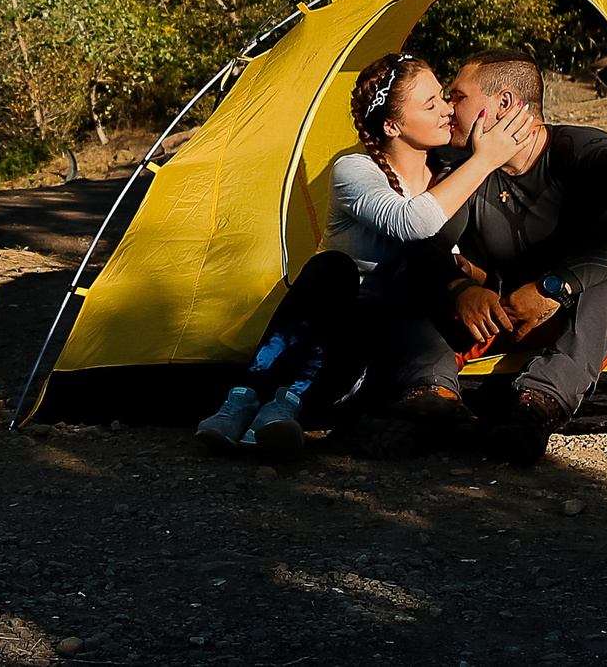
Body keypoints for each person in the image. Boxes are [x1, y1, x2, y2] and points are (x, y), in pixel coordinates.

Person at [194, 51, 534, 457]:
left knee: (394, 302)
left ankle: (282, 410)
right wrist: (484, 160)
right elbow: (412, 223)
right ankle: (248, 403)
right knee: (333, 269)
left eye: (444, 97)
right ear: (392, 125)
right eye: (431, 104)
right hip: (323, 330)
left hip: (377, 351)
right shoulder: (353, 171)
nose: (448, 110)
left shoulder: (453, 171)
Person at [391, 47, 607, 465]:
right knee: (415, 269)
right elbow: (428, 242)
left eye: (457, 97)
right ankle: (432, 395)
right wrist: (460, 288)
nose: (447, 109)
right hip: (505, 312)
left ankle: (538, 403)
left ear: (503, 104)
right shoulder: (469, 166)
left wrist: (557, 286)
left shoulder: (580, 151)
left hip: (577, 310)